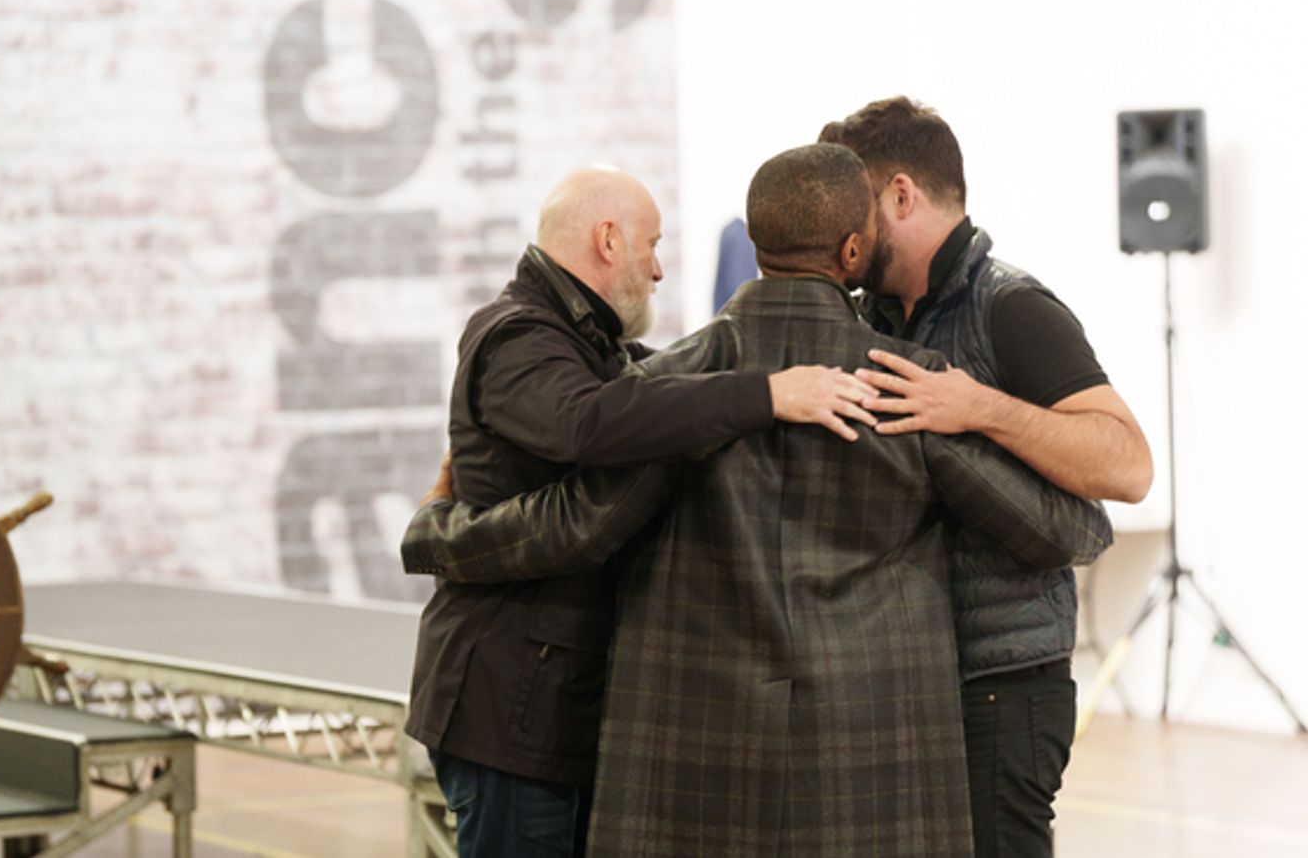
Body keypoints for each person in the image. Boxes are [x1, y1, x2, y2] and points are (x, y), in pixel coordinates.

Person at [404, 144, 1114, 858]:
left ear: (752, 240)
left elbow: (573, 527)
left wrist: (440, 532)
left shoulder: (671, 389)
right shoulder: (907, 386)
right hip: (874, 758)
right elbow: (1068, 530)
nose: (657, 267)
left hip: (700, 765)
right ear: (853, 250)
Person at [405, 164, 879, 858]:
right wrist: (767, 394)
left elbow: (662, 389)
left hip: (551, 708)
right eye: (652, 246)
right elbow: (592, 422)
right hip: (509, 711)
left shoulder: (589, 341)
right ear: (607, 240)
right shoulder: (519, 336)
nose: (658, 269)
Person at [818, 96, 1154, 858]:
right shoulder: (871, 317)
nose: (845, 232)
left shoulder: (1013, 306)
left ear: (901, 195)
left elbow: (1129, 464)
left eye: (854, 206)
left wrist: (979, 407)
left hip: (1007, 683)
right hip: (917, 679)